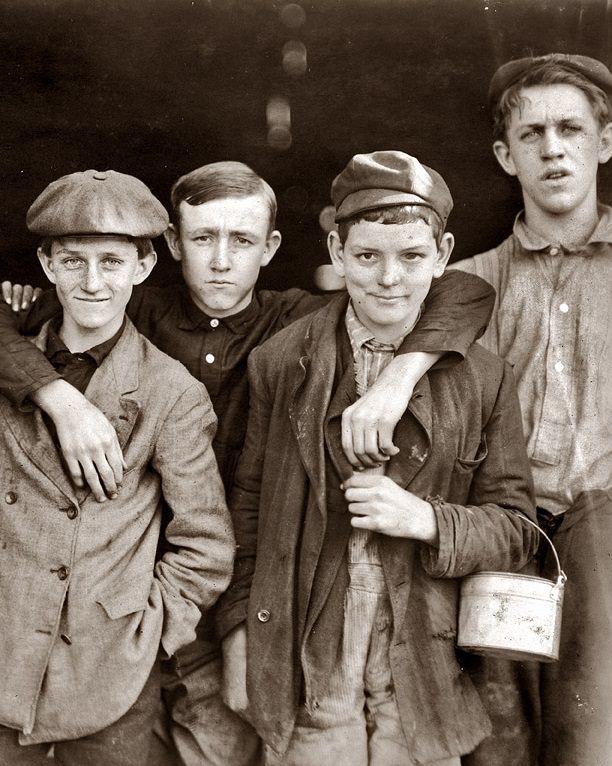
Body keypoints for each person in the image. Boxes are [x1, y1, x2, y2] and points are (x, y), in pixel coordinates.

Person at [0, 161, 496, 766]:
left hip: (234, 587)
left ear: (271, 247)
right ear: (171, 246)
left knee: (222, 744)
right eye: (203, 239)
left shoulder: (302, 320)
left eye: (243, 241)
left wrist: (399, 377)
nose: (222, 261)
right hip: (110, 593)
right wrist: (60, 398)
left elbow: (463, 293)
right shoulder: (129, 306)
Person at [217, 150, 539, 765]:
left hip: (426, 660)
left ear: (443, 256)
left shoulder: (486, 378)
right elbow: (248, 510)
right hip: (306, 659)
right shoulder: (281, 363)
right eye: (367, 256)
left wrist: (424, 520)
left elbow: (518, 530)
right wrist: (239, 641)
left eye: (412, 257)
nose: (389, 277)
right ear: (337, 254)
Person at [0, 169, 234, 766]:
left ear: (142, 268)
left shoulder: (172, 393)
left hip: (109, 672)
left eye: (112, 262)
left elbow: (205, 546)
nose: (92, 282)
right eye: (73, 261)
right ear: (46, 263)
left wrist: (144, 633)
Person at [452, 52, 612, 765]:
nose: (553, 149)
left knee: (600, 744)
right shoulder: (469, 285)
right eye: (532, 134)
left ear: (606, 142)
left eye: (571, 129)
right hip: (507, 541)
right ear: (505, 153)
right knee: (500, 749)